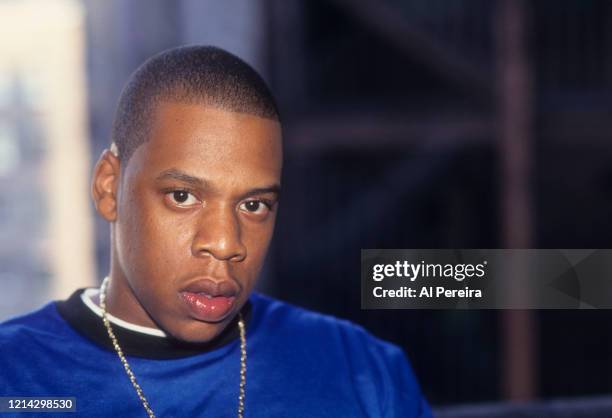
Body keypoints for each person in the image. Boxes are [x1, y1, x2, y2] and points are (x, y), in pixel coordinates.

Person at [0, 45, 432, 417]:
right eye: (183, 196)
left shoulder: (362, 370)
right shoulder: (13, 376)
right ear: (109, 188)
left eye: (254, 205)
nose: (226, 244)